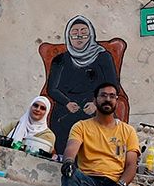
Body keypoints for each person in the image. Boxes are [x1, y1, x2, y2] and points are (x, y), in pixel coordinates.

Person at [61, 82, 149, 186]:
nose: (107, 99)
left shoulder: (127, 131)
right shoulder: (81, 126)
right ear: (95, 100)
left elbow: (131, 165)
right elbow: (71, 149)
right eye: (103, 95)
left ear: (116, 101)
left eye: (112, 96)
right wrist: (68, 162)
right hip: (89, 182)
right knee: (69, 176)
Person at [44, 15, 120, 152]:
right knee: (63, 131)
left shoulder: (103, 57)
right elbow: (52, 89)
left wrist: (96, 104)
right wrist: (66, 102)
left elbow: (113, 86)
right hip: (66, 108)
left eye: (83, 34)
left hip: (94, 106)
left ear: (90, 35)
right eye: (75, 34)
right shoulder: (60, 60)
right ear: (68, 37)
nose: (79, 38)